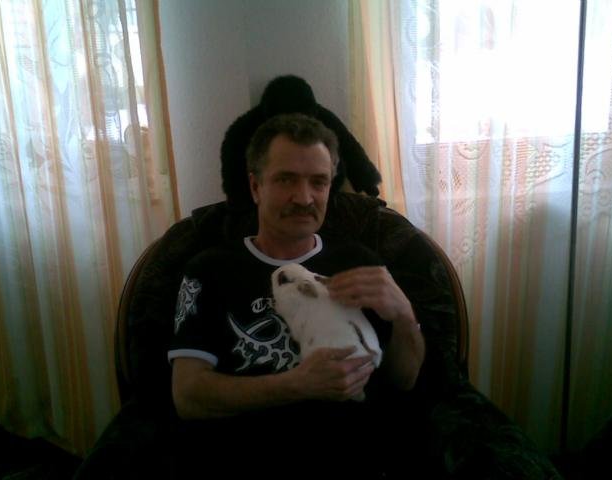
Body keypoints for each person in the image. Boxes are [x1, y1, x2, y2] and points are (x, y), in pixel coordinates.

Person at [168, 113, 426, 478]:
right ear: (256, 187)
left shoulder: (360, 261)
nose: (304, 198)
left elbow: (405, 379)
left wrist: (404, 317)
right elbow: (187, 396)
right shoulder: (208, 270)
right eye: (286, 179)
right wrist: (296, 384)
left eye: (318, 182)